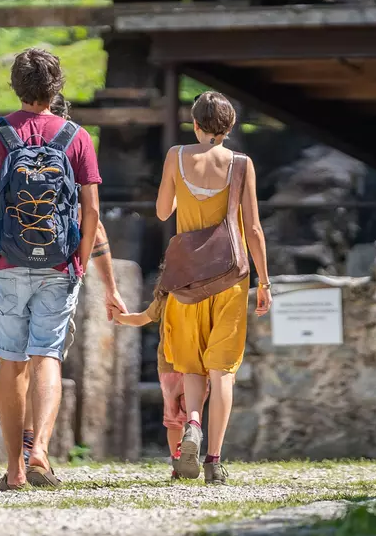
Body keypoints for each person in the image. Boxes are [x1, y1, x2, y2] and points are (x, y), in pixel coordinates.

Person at [0, 48, 123, 491]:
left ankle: (15, 469)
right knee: (47, 355)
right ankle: (41, 450)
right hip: (59, 260)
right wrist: (81, 255)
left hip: (8, 261)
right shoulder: (77, 137)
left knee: (10, 361)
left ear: (16, 86)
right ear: (56, 88)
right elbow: (91, 208)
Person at [156, 91, 272, 485]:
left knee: (190, 365)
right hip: (230, 280)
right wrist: (264, 282)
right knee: (222, 371)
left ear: (195, 124)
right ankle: (213, 461)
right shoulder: (241, 164)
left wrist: (185, 194)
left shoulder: (176, 155)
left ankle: (192, 421)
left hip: (187, 281)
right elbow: (253, 228)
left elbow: (162, 211)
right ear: (229, 127)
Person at [112, 284, 205, 479]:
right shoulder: (204, 295)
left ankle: (177, 461)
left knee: (172, 420)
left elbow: (140, 319)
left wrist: (119, 317)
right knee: (193, 413)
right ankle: (191, 446)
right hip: (197, 366)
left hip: (168, 367)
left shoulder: (165, 298)